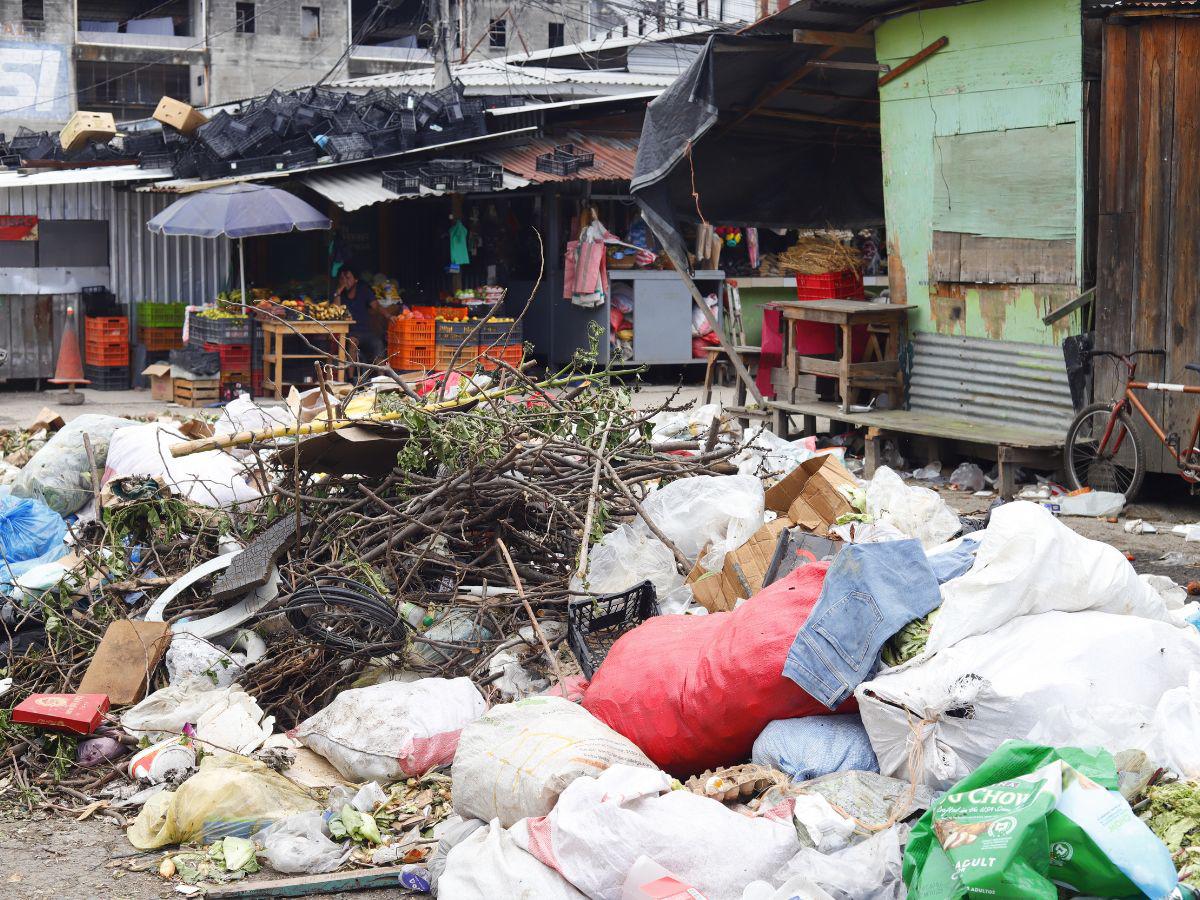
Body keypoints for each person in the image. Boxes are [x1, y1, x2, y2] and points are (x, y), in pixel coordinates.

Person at [333, 267, 384, 365]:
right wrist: (338, 292)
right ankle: (352, 378)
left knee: (378, 343)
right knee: (352, 341)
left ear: (355, 280)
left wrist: (389, 316)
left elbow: (376, 306)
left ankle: (381, 377)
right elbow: (336, 310)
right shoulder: (339, 295)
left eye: (347, 278)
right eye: (342, 279)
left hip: (366, 332)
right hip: (349, 333)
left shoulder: (364, 291)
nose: (345, 282)